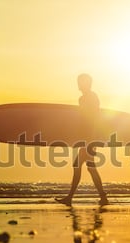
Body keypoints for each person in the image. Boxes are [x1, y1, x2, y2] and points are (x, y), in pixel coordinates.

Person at [55, 74, 108, 206]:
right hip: (87, 137)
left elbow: (92, 118)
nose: (79, 84)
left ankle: (70, 198)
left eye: (81, 82)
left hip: (89, 137)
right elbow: (83, 120)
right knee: (90, 167)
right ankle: (103, 197)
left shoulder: (89, 97)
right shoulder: (85, 98)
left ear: (87, 83)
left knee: (79, 165)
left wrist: (90, 139)